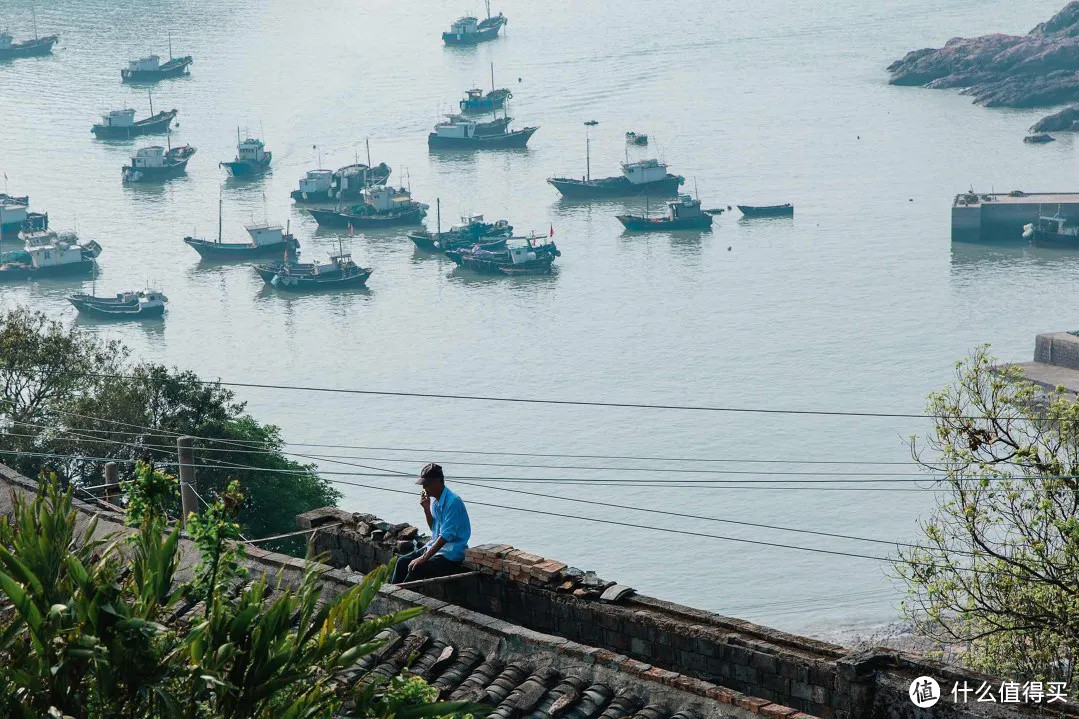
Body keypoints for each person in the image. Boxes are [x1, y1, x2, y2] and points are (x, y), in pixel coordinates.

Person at [390, 462, 471, 584]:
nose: (424, 489)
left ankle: (402, 596)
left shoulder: (453, 502)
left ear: (438, 481)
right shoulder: (436, 503)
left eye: (426, 485)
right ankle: (390, 592)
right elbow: (434, 529)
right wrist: (426, 509)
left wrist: (423, 558)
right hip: (436, 548)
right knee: (401, 562)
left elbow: (445, 536)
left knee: (416, 568)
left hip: (450, 554)